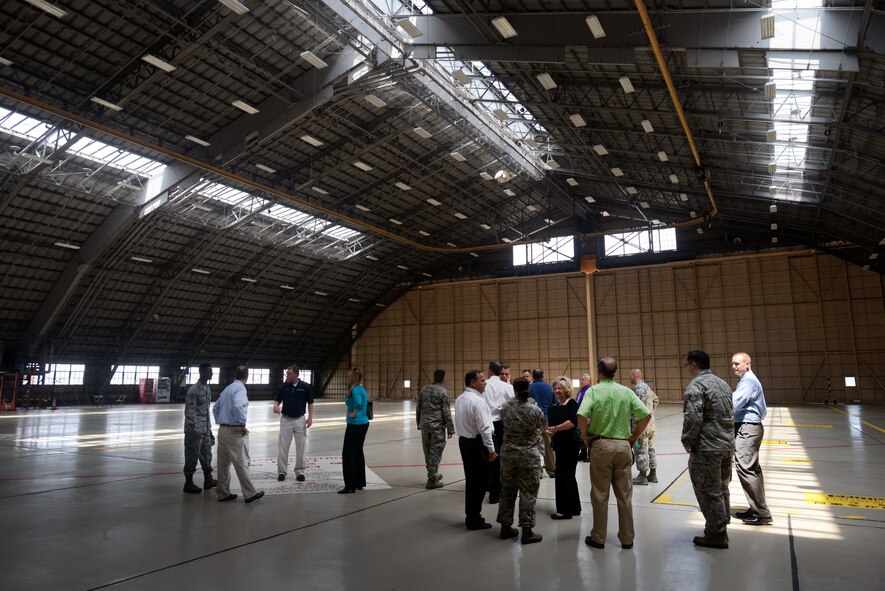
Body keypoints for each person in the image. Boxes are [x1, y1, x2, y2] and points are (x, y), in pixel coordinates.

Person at [577, 357, 650, 549]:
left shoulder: (593, 391)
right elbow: (646, 414)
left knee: (600, 494)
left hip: (601, 446)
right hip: (623, 446)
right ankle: (627, 538)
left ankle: (598, 537)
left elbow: (582, 414)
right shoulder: (626, 391)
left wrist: (585, 437)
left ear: (599, 372)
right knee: (624, 495)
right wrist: (633, 437)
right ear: (615, 373)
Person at [681, 350, 735, 549]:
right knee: (722, 487)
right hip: (726, 445)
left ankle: (716, 534)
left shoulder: (696, 386)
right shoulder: (722, 384)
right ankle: (722, 521)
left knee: (707, 490)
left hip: (707, 448)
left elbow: (693, 418)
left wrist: (687, 439)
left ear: (693, 364)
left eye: (687, 365)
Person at [497, 377, 546, 544]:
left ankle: (505, 527)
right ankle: (527, 530)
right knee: (528, 492)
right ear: (528, 390)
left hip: (508, 455)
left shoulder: (505, 407)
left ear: (514, 390)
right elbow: (543, 427)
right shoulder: (535, 410)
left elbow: (504, 424)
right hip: (528, 456)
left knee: (507, 490)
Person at [731, 352, 772, 525]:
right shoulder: (748, 380)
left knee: (745, 468)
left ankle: (762, 514)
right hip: (750, 426)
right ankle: (756, 507)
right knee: (752, 469)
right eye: (733, 364)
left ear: (747, 364)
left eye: (737, 363)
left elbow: (734, 403)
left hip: (747, 427)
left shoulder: (747, 381)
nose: (734, 366)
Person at [213, 366, 264, 503]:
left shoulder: (227, 389)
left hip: (223, 430)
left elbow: (215, 407)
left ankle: (222, 493)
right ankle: (250, 493)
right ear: (247, 376)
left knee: (223, 464)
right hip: (233, 432)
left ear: (235, 374)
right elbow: (238, 405)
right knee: (241, 461)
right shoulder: (240, 389)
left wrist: (221, 421)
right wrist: (241, 424)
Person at [454, 369, 497, 530]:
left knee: (471, 481)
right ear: (472, 382)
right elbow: (485, 429)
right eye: (482, 380)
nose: (485, 383)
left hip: (465, 442)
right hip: (477, 444)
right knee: (480, 482)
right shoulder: (477, 401)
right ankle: (474, 518)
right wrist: (491, 450)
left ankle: (471, 515)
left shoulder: (460, 398)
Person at [546, 376, 581, 519]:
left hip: (569, 444)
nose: (557, 390)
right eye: (555, 388)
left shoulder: (571, 403)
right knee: (568, 476)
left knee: (564, 476)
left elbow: (573, 422)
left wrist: (555, 428)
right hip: (560, 443)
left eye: (560, 388)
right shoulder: (556, 406)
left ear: (566, 389)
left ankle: (564, 511)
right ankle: (574, 507)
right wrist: (551, 431)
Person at [274, 365, 314, 482]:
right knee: (283, 446)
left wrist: (310, 418)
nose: (287, 375)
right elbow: (277, 400)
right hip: (286, 420)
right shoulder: (284, 387)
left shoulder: (305, 386)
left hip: (300, 419)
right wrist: (275, 405)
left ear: (296, 374)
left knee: (301, 446)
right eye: (287, 373)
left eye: (289, 373)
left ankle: (299, 471)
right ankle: (282, 472)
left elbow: (310, 403)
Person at [416, 369, 455, 489]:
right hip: (437, 426)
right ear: (443, 378)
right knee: (436, 451)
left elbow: (418, 407)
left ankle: (433, 474)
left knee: (428, 451)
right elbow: (446, 411)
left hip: (425, 425)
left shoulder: (424, 389)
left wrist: (419, 423)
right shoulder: (443, 391)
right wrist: (450, 429)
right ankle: (432, 479)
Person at [182, 363, 216, 494]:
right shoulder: (194, 390)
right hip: (194, 430)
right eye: (209, 371)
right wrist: (194, 429)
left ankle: (208, 480)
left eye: (211, 371)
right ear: (201, 372)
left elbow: (205, 411)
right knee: (192, 455)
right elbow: (190, 411)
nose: (211, 373)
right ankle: (188, 483)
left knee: (207, 454)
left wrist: (209, 428)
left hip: (205, 428)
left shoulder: (207, 388)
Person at [484, 361, 515, 503]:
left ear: (490, 371)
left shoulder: (484, 385)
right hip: (501, 424)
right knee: (501, 457)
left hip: (486, 423)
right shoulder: (508, 387)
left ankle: (488, 485)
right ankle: (497, 490)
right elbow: (514, 403)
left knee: (488, 455)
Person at [340, 367, 369, 494]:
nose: (346, 378)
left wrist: (354, 413)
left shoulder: (355, 390)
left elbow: (358, 402)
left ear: (353, 378)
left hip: (355, 424)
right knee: (358, 452)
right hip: (363, 423)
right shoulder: (362, 388)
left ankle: (350, 485)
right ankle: (359, 482)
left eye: (348, 376)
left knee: (348, 454)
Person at [630, 369, 659, 485]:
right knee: (650, 448)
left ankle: (642, 476)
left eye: (630, 376)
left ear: (634, 376)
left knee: (641, 449)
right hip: (650, 423)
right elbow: (656, 400)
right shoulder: (647, 387)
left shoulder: (638, 389)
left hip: (641, 424)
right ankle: (653, 474)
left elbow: (638, 408)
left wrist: (635, 424)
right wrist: (651, 412)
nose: (630, 379)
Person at [530, 368, 556, 477]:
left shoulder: (529, 387)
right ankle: (551, 470)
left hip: (532, 420)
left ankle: (538, 472)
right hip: (546, 419)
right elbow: (555, 403)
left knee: (533, 446)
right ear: (542, 376)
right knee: (548, 446)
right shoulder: (549, 387)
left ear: (532, 376)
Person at [575, 372, 592, 462]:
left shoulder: (589, 390)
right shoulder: (581, 391)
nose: (581, 381)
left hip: (587, 416)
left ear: (588, 380)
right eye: (580, 380)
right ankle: (583, 453)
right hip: (580, 416)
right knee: (581, 435)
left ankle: (589, 455)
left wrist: (589, 417)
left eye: (583, 380)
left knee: (588, 435)